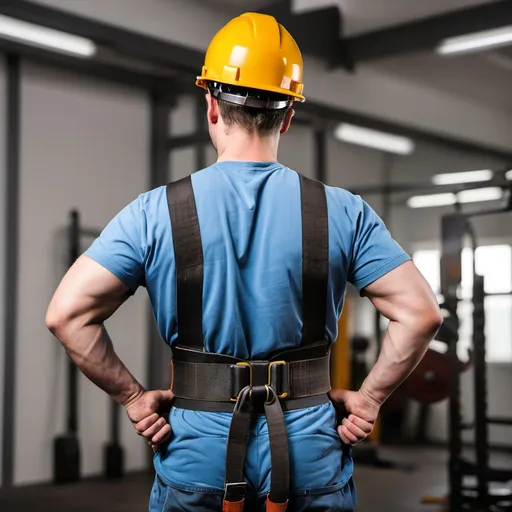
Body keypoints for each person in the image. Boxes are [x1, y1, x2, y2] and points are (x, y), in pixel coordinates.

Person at [46, 12, 442, 512]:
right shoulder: (342, 211)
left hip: (197, 451)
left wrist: (132, 397)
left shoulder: (154, 212)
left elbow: (66, 314)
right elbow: (422, 314)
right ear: (289, 115)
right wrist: (369, 399)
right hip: (309, 452)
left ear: (211, 105)